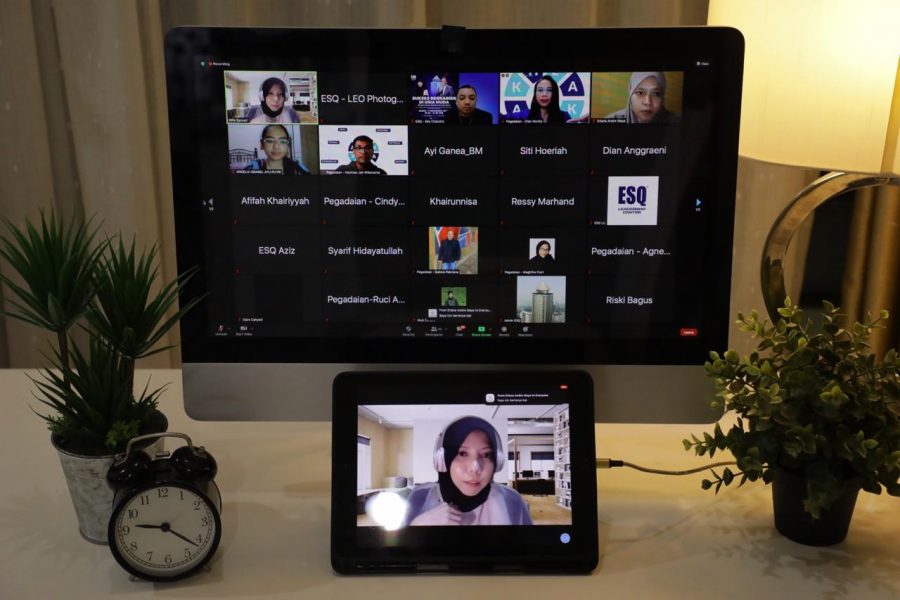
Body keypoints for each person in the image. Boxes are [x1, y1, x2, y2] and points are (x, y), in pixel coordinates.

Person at [405, 416, 533, 526]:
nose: (475, 468)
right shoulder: (420, 497)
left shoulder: (512, 501)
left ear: (497, 461)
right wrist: (418, 524)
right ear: (443, 459)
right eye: (462, 453)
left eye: (486, 455)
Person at [604, 72, 679, 124]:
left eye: (656, 93)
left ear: (662, 97)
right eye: (640, 93)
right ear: (630, 95)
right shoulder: (610, 120)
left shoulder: (677, 122)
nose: (648, 102)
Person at [243, 124, 310, 175]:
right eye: (270, 141)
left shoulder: (298, 168)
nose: (276, 146)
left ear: (288, 145)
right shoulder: (254, 167)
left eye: (282, 141)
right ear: (262, 144)